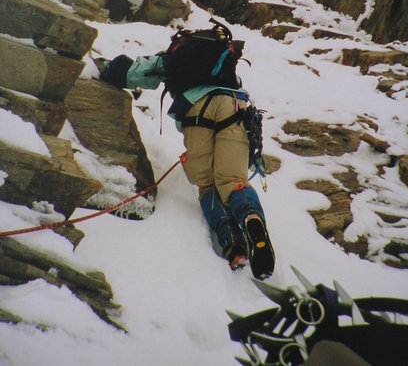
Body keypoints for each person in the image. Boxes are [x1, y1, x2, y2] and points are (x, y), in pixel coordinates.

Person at [96, 23, 275, 280]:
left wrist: (106, 70)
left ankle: (232, 244)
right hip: (235, 108)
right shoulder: (224, 64)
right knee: (232, 181)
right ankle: (252, 218)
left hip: (198, 114)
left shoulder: (175, 58)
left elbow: (136, 72)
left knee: (207, 184)